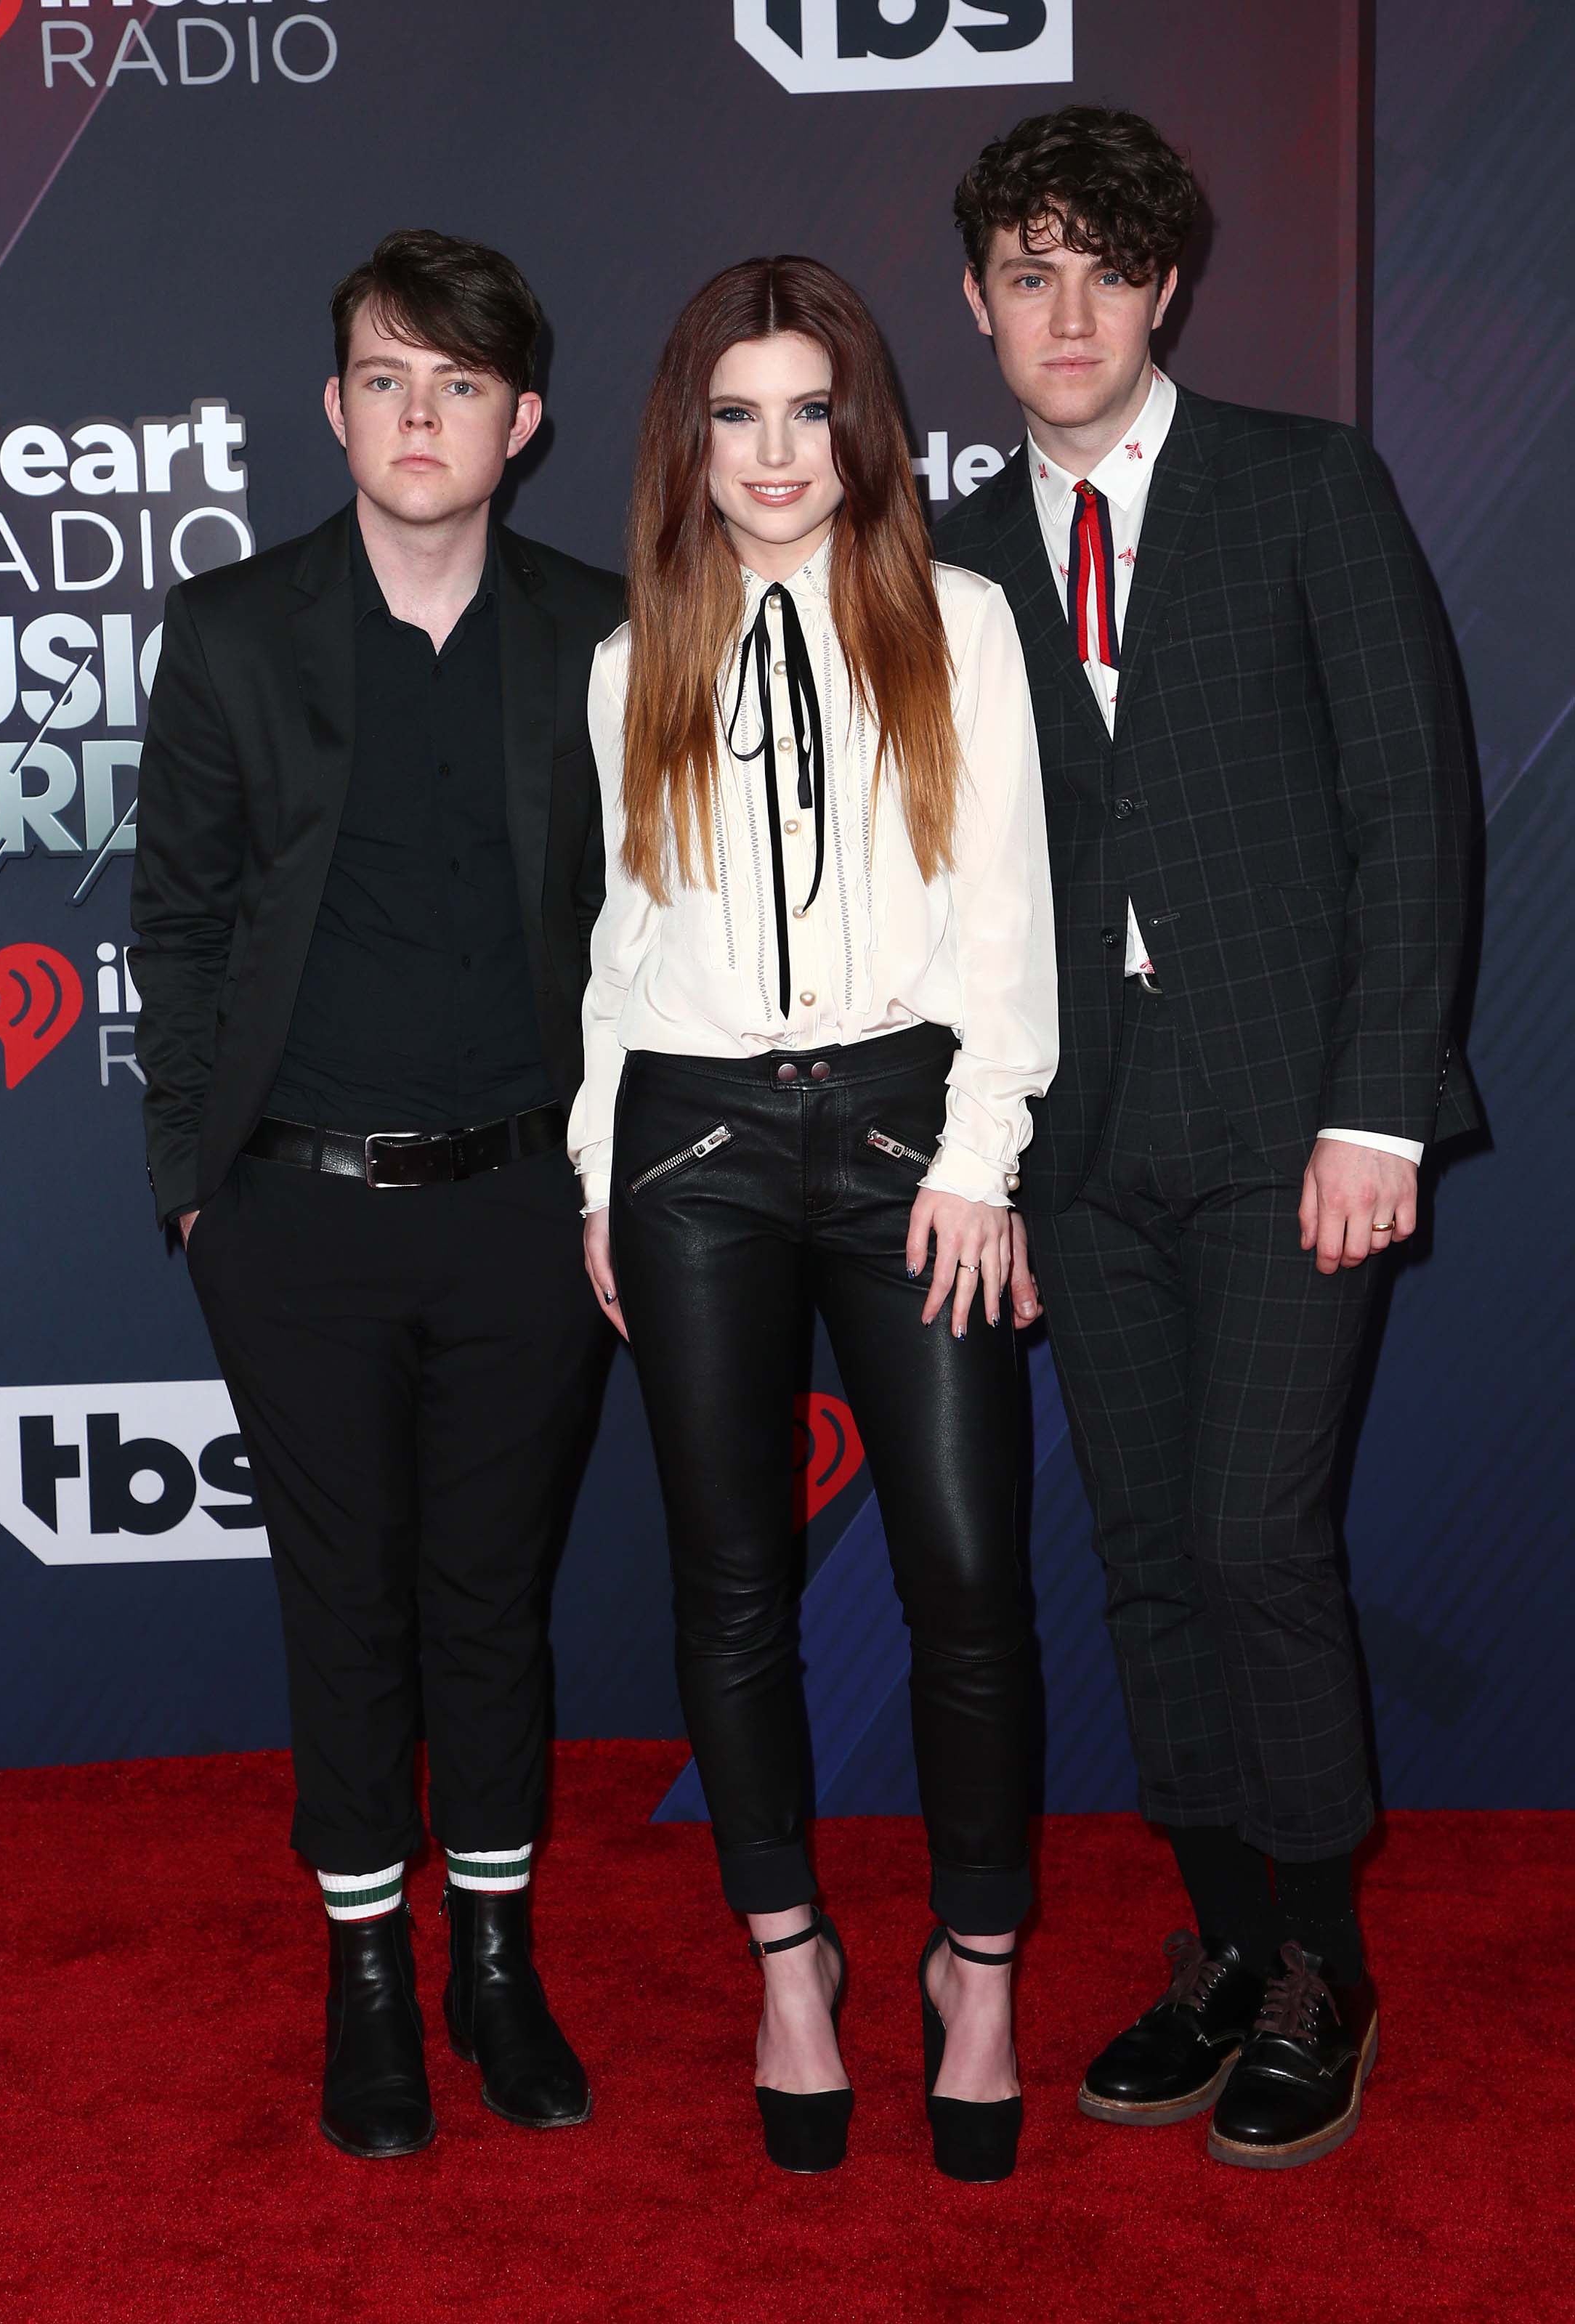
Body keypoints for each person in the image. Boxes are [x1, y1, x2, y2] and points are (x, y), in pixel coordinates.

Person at [937, 107, 1477, 2169]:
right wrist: (974, 1156)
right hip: (1076, 1132)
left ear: (1164, 287)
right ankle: (1228, 1942)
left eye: (1105, 269)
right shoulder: (951, 558)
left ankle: (1327, 1961)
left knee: (1255, 1536)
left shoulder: (1303, 482)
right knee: (1149, 1555)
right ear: (980, 304)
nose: (1067, 311)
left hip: (1289, 1109)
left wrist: (1379, 1106)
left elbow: (1413, 806)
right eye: (1030, 273)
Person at [130, 229, 621, 2160]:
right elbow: (176, 926)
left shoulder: (604, 632)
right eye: (390, 381)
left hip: (524, 1215)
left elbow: (654, 931)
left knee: (491, 1601)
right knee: (344, 1606)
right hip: (294, 1220)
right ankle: (366, 1979)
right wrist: (194, 1188)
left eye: (462, 385)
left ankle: (497, 1959)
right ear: (336, 409)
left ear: (524, 421)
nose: (425, 418)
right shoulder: (233, 633)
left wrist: (612, 1182)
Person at [569, 256, 1057, 2182]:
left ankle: (978, 1973)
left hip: (905, 1134)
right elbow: (622, 947)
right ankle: (791, 1963)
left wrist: (980, 1155)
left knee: (968, 1575)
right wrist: (602, 1173)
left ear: (863, 424)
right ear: (688, 439)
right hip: (688, 1144)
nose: (775, 452)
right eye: (735, 413)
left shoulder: (962, 623)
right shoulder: (636, 660)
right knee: (730, 1581)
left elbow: (1005, 909)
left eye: (809, 409)